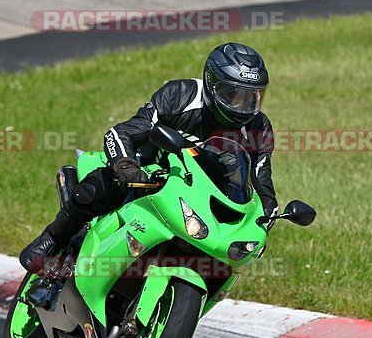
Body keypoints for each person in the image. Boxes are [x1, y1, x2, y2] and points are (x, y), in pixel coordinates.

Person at [19, 42, 279, 273]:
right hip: (151, 172)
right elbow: (121, 132)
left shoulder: (258, 127)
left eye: (252, 97)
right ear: (211, 84)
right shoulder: (180, 95)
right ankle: (50, 239)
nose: (242, 106)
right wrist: (125, 166)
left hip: (204, 190)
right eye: (232, 95)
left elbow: (262, 180)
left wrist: (263, 225)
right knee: (101, 186)